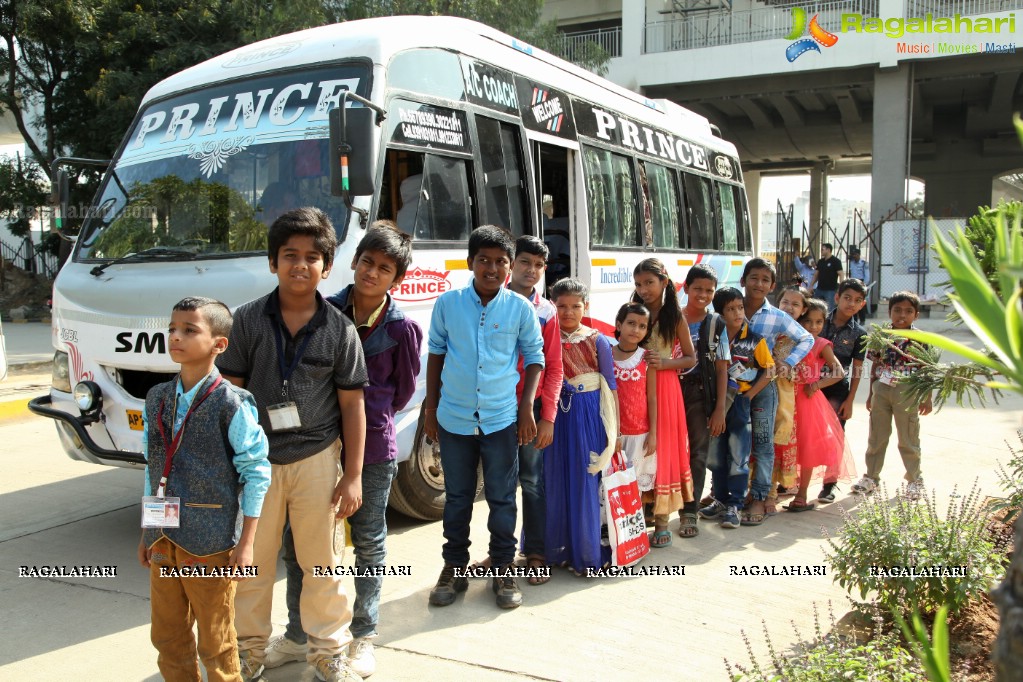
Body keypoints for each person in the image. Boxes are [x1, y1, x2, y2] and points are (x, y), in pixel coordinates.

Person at [217, 207, 370, 682]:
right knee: (251, 564)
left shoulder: (339, 328)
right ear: (272, 262)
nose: (300, 265)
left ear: (326, 266)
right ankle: (248, 651)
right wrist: (229, 467)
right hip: (255, 463)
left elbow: (352, 406)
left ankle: (327, 652)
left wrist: (353, 475)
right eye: (289, 255)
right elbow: (229, 396)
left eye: (311, 257)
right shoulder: (246, 321)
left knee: (322, 563)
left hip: (317, 460)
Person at [268, 222, 423, 678]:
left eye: (385, 269)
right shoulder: (321, 310)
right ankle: (299, 635)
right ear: (353, 264)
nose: (372, 273)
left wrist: (367, 421)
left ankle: (362, 637)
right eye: (368, 263)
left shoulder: (403, 330)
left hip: (372, 450)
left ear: (397, 279)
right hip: (312, 447)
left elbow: (402, 393)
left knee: (369, 542)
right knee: (302, 544)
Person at [138, 296, 271, 682]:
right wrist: (148, 531)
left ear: (219, 344)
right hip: (164, 536)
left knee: (216, 640)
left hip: (211, 541)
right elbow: (153, 466)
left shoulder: (232, 402)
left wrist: (246, 543)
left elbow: (256, 473)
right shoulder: (157, 398)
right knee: (166, 633)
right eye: (172, 329)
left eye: (189, 330)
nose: (175, 337)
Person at [425, 225, 544, 609]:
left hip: (501, 419)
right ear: (470, 262)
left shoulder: (520, 308)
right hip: (454, 418)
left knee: (502, 497)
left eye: (499, 262)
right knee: (457, 498)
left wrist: (526, 408)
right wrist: (431, 408)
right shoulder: (448, 304)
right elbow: (436, 355)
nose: (491, 268)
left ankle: (504, 570)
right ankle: (454, 569)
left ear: (509, 267)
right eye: (483, 261)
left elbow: (536, 359)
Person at [469, 235, 564, 586]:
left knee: (533, 482)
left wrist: (547, 416)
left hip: (532, 408)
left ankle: (536, 552)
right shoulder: (487, 303)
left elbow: (553, 367)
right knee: (499, 486)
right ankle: (501, 553)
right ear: (511, 264)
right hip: (493, 407)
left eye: (539, 265)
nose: (532, 271)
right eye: (526, 262)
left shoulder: (546, 311)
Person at [545, 278, 620, 573]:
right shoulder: (545, 338)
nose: (567, 312)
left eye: (575, 306)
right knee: (554, 478)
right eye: (561, 306)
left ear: (585, 306)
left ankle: (585, 554)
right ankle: (555, 549)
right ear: (553, 306)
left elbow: (610, 385)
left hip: (588, 415)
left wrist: (616, 429)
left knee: (584, 480)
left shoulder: (597, 339)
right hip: (555, 416)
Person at [739, 258, 813, 526]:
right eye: (753, 278)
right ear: (742, 280)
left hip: (763, 386)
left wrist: (788, 362)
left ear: (771, 286)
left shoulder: (777, 316)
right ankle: (727, 496)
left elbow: (807, 338)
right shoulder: (731, 309)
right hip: (731, 385)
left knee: (763, 442)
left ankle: (759, 496)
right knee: (730, 440)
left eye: (765, 280)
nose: (758, 284)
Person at [632, 258, 697, 547]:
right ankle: (637, 515)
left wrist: (666, 361)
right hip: (635, 387)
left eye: (649, 282)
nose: (643, 289)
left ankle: (661, 522)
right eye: (638, 284)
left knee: (664, 449)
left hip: (666, 387)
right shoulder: (635, 313)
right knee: (640, 447)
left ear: (664, 283)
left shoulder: (675, 317)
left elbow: (691, 358)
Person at [700, 287, 774, 529]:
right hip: (716, 403)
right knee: (716, 453)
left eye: (740, 307)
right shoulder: (712, 338)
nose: (737, 313)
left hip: (739, 402)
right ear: (720, 313)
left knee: (738, 453)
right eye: (731, 309)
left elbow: (769, 370)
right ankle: (720, 499)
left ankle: (736, 503)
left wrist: (750, 395)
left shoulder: (754, 340)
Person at [852, 291, 933, 500]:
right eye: (897, 310)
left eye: (908, 311)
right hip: (882, 391)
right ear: (889, 312)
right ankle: (871, 477)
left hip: (907, 392)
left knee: (908, 438)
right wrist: (871, 393)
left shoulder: (922, 339)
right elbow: (875, 365)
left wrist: (926, 397)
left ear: (916, 315)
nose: (902, 315)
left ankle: (915, 480)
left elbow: (927, 369)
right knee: (877, 436)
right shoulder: (880, 337)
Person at [784, 298, 853, 512]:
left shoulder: (821, 345)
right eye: (808, 322)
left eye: (819, 322)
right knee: (785, 444)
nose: (814, 327)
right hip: (786, 399)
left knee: (807, 448)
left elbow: (839, 372)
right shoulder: (786, 342)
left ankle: (802, 494)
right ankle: (786, 485)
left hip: (808, 402)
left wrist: (817, 384)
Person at [678, 264, 730, 537]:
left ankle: (689, 510)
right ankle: (656, 507)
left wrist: (720, 408)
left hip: (700, 393)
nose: (703, 294)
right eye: (697, 288)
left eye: (709, 290)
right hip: (670, 391)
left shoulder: (716, 324)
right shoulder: (670, 317)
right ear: (685, 288)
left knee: (698, 452)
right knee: (669, 450)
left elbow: (722, 367)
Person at [818, 278, 869, 503]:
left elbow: (857, 370)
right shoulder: (818, 320)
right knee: (803, 431)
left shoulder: (860, 334)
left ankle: (829, 484)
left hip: (838, 389)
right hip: (811, 383)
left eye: (857, 300)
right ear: (837, 297)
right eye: (847, 297)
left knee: (834, 435)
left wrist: (850, 400)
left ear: (862, 305)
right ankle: (791, 482)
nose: (851, 303)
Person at [767, 285, 812, 511]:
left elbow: (807, 373)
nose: (789, 307)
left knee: (778, 440)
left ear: (803, 310)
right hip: (762, 390)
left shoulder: (801, 338)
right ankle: (756, 489)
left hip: (787, 398)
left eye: (796, 304)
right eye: (785, 302)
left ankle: (771, 492)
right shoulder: (769, 328)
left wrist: (787, 370)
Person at [612, 302, 658, 497]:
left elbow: (652, 398)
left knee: (632, 484)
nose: (636, 329)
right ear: (619, 325)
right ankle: (607, 526)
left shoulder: (647, 359)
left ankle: (629, 527)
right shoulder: (606, 354)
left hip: (640, 432)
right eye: (631, 323)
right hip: (613, 433)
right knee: (611, 481)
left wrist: (653, 433)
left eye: (642, 326)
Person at [811, 243, 844, 312]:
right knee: (815, 307)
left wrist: (840, 287)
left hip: (830, 290)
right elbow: (816, 275)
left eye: (823, 249)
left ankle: (829, 322)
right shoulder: (820, 261)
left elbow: (841, 274)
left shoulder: (836, 261)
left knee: (829, 309)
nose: (821, 251)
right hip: (819, 289)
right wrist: (811, 286)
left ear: (828, 250)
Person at [847, 247, 871, 323]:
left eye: (856, 255)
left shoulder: (864, 263)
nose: (854, 256)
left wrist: (864, 285)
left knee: (860, 301)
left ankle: (862, 319)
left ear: (859, 255)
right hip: (853, 282)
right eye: (853, 255)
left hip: (861, 282)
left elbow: (867, 275)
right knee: (852, 301)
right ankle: (854, 320)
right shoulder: (851, 262)